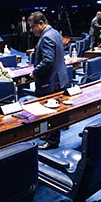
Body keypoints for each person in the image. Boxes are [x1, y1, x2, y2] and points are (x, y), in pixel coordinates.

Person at [28, 11, 69, 149]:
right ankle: (49, 134)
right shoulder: (55, 33)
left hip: (50, 81)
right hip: (59, 78)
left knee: (50, 111)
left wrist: (35, 72)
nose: (31, 30)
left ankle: (52, 141)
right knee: (54, 110)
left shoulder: (46, 37)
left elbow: (48, 60)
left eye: (33, 27)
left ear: (41, 23)